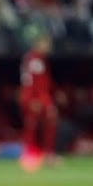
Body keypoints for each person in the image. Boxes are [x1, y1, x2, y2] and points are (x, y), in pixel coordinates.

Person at [18, 33, 57, 171]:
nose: (48, 46)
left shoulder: (36, 59)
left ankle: (43, 154)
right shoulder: (35, 60)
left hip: (36, 97)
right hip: (35, 98)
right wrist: (36, 100)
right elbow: (34, 83)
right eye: (45, 43)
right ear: (37, 44)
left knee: (39, 125)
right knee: (34, 125)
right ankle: (34, 155)